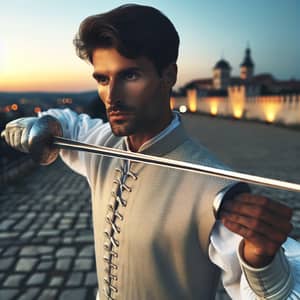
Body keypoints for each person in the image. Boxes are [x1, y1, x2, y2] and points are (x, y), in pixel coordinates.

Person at [3, 4, 300, 300]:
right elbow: (71, 124)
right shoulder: (101, 144)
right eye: (103, 79)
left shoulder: (219, 191)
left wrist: (262, 264)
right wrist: (42, 123)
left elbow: (273, 294)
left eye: (130, 76)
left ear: (168, 75)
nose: (113, 97)